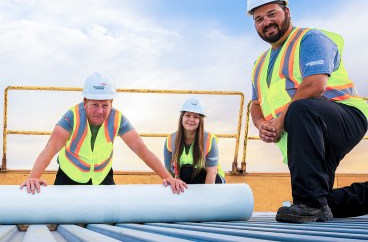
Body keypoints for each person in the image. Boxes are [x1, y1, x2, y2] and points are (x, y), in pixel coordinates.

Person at [246, 0, 368, 223]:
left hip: (344, 117)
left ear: (287, 12)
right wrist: (261, 123)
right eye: (259, 18)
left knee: (300, 108)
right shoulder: (260, 63)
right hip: (308, 132)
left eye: (272, 13)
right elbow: (255, 103)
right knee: (323, 198)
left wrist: (280, 121)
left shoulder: (310, 39)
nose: (266, 22)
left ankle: (310, 205)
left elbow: (315, 85)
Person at [20, 72, 187, 194]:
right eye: (95, 105)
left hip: (102, 177)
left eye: (105, 105)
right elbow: (51, 147)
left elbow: (141, 149)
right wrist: (33, 177)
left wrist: (168, 177)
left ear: (111, 102)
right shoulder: (72, 116)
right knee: (59, 219)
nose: (100, 111)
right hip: (70, 176)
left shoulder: (118, 118)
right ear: (85, 102)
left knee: (111, 219)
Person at [164, 98, 226, 184]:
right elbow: (168, 171)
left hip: (214, 181)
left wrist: (208, 196)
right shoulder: (171, 139)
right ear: (182, 117)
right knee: (185, 172)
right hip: (188, 178)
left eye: (196, 117)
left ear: (200, 120)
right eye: (188, 115)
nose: (191, 120)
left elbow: (212, 173)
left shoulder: (209, 139)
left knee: (187, 172)